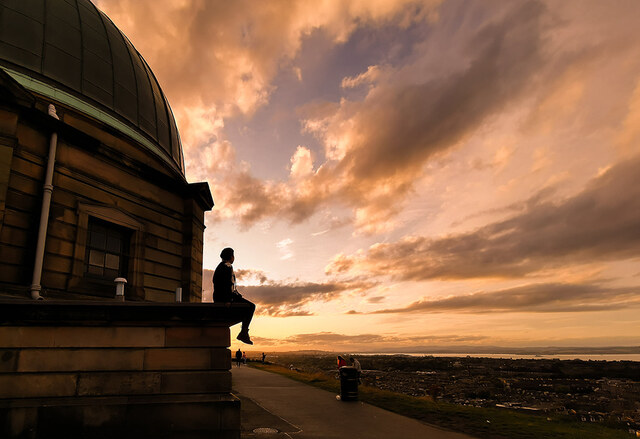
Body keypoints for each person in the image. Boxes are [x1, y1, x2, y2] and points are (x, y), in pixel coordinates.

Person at [213, 247, 256, 344]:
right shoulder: (226, 267)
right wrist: (228, 300)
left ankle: (244, 332)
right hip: (225, 297)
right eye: (233, 256)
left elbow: (228, 285)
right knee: (251, 307)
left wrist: (237, 295)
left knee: (249, 307)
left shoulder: (223, 266)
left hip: (227, 296)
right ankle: (244, 333)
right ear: (231, 256)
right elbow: (224, 285)